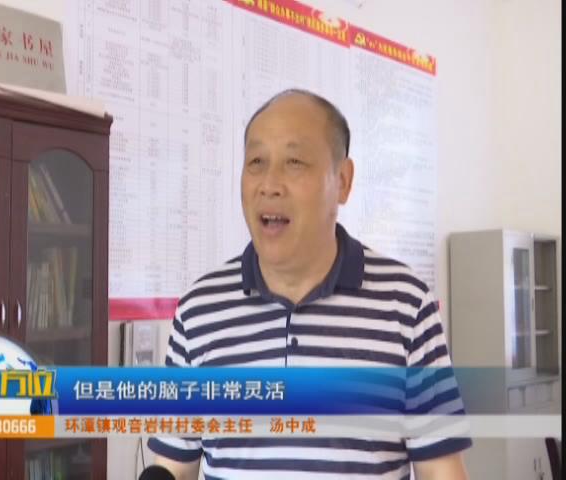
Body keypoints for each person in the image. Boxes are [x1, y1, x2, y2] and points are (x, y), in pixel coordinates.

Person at [146, 89, 471, 479]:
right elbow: (174, 468)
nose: (269, 184)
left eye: (294, 162)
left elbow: (441, 471)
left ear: (343, 181)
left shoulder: (406, 305)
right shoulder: (199, 311)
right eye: (256, 162)